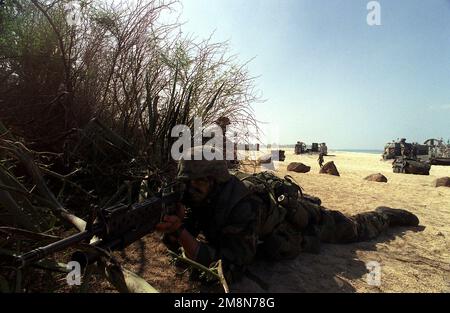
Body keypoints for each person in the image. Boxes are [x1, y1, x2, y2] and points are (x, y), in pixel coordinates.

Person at [156, 147, 420, 283]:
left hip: (301, 224)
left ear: (214, 180)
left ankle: (385, 215)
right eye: (186, 183)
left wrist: (181, 232)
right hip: (275, 216)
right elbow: (181, 247)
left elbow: (231, 268)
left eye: (196, 182)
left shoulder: (240, 205)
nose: (190, 189)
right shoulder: (202, 195)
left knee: (354, 228)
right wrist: (176, 226)